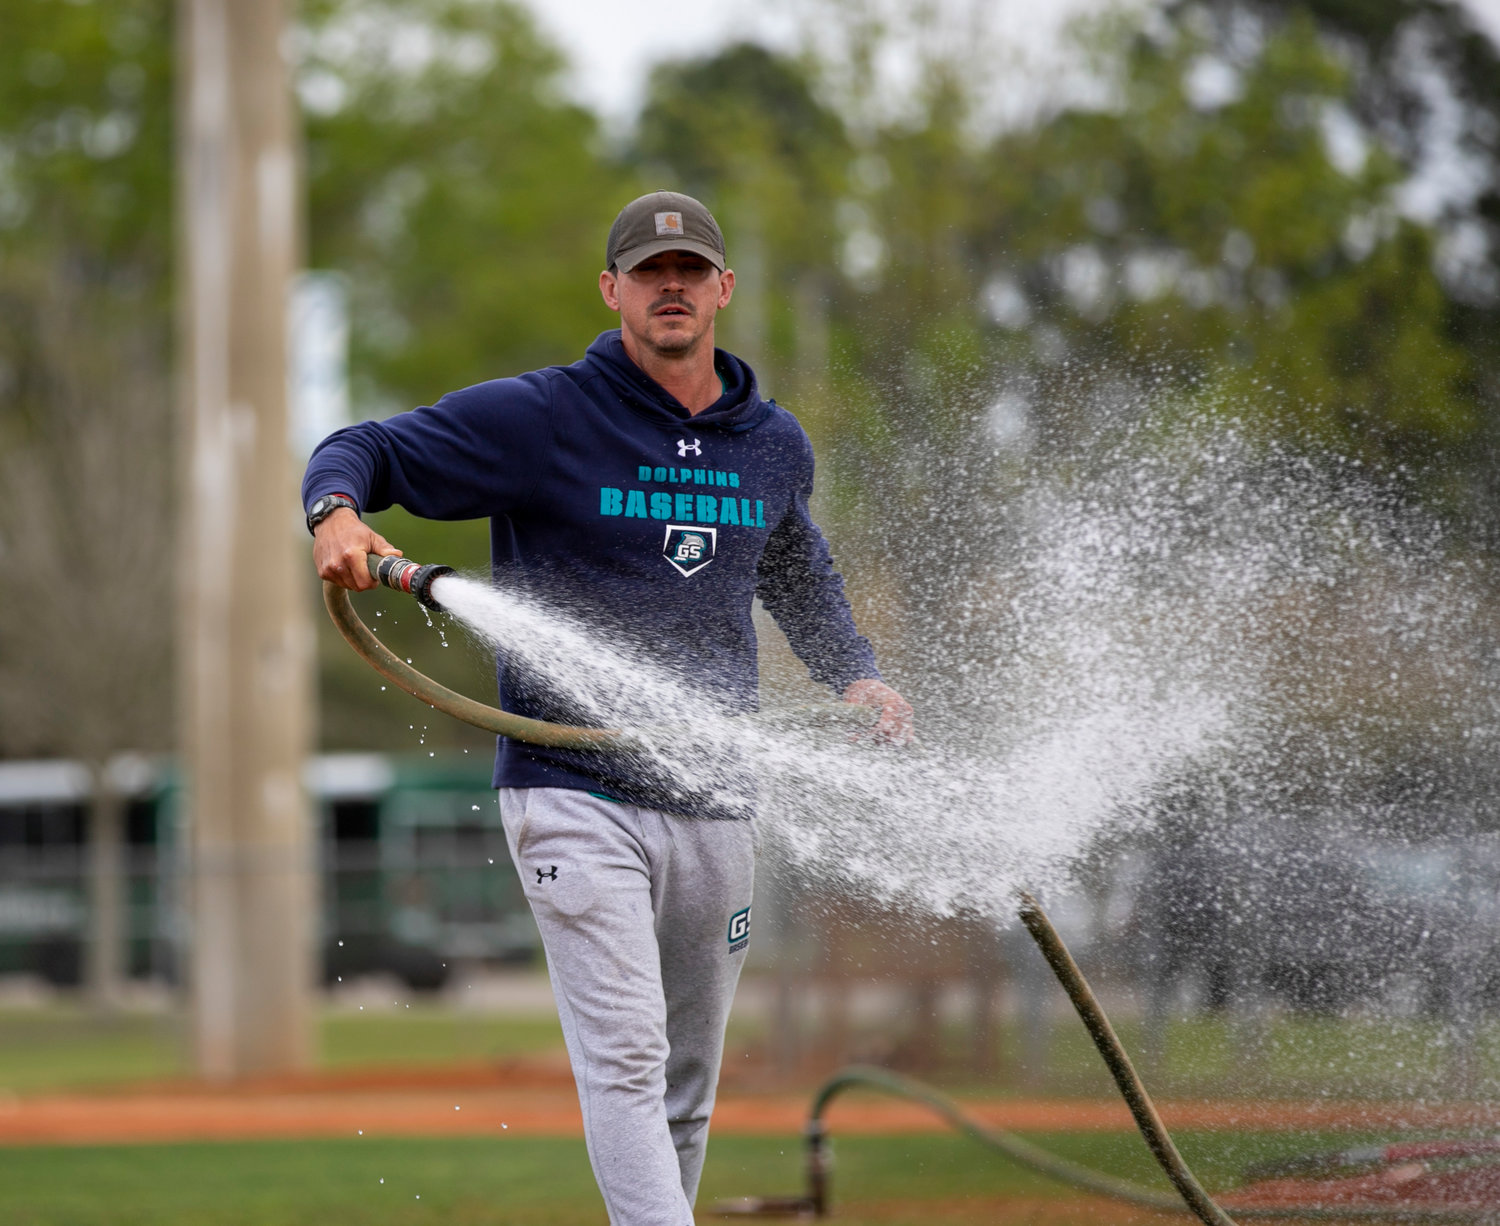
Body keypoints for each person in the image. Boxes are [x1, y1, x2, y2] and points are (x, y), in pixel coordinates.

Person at [304, 190, 912, 1225]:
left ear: (723, 287)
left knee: (684, 1073)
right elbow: (364, 447)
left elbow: (800, 575)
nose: (668, 286)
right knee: (626, 1052)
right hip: (572, 791)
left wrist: (855, 670)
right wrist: (336, 513)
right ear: (613, 289)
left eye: (688, 270)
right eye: (646, 270)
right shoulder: (540, 418)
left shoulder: (773, 444)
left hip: (716, 797)